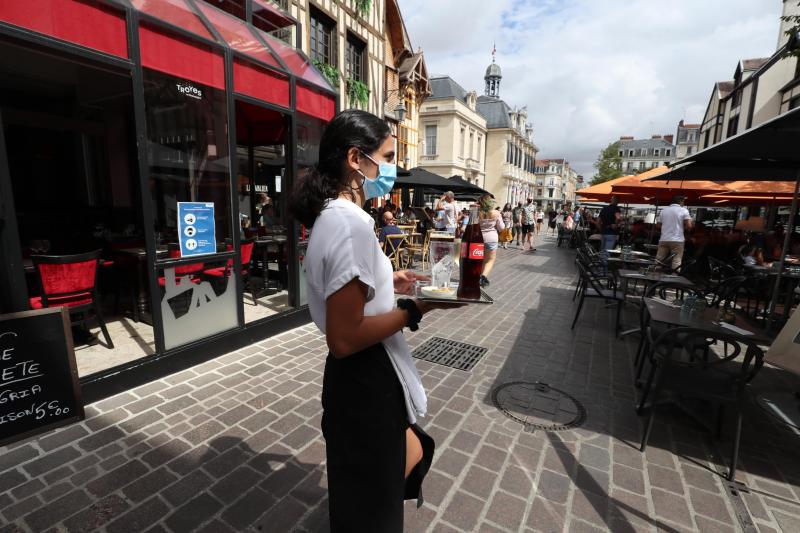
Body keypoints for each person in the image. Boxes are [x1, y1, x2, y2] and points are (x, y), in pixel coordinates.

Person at [290, 109, 460, 532]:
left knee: (371, 490)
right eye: (386, 155)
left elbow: (350, 294)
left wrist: (391, 280)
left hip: (358, 380)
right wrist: (415, 310)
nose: (391, 167)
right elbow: (344, 338)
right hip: (366, 377)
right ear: (355, 159)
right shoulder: (349, 225)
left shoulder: (333, 219)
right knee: (373, 510)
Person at [656, 194, 694, 271]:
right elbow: (689, 226)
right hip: (677, 240)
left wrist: (667, 228)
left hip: (664, 239)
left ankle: (654, 277)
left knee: (659, 260)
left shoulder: (663, 210)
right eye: (683, 201)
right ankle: (674, 279)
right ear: (681, 201)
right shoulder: (684, 210)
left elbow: (658, 226)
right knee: (676, 261)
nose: (684, 203)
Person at [478, 194, 505, 286]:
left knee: (480, 259)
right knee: (490, 259)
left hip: (478, 238)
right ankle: (483, 277)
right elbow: (501, 228)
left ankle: (479, 277)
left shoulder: (477, 212)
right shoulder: (496, 213)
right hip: (491, 239)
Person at [598, 196, 622, 265]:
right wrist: (615, 224)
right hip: (611, 233)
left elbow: (598, 221)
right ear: (617, 202)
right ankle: (603, 270)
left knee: (602, 251)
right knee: (607, 252)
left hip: (603, 232)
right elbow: (618, 217)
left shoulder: (604, 209)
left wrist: (601, 229)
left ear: (611, 201)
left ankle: (600, 267)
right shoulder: (616, 208)